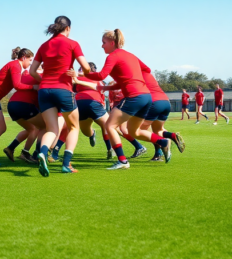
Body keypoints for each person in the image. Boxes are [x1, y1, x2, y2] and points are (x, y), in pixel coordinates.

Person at [78, 29, 172, 170]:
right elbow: (147, 69)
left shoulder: (113, 56)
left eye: (103, 43)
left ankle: (122, 161)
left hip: (134, 96)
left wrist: (84, 74)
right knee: (134, 132)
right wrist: (128, 76)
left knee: (110, 126)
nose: (102, 46)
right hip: (146, 96)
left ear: (112, 42)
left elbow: (101, 75)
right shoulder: (130, 55)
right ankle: (163, 142)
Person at [28, 16, 90, 176]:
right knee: (74, 126)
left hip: (44, 90)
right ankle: (66, 164)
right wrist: (78, 74)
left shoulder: (44, 45)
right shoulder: (72, 44)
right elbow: (86, 67)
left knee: (52, 128)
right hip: (63, 89)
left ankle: (42, 152)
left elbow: (32, 71)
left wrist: (45, 81)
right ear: (68, 28)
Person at [71, 62, 114, 158]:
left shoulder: (97, 79)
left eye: (84, 68)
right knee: (85, 132)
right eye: (80, 68)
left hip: (95, 104)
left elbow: (101, 91)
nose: (81, 70)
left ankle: (110, 149)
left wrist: (102, 103)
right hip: (80, 104)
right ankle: (91, 134)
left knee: (107, 126)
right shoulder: (75, 78)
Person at [4, 66, 42, 164]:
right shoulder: (41, 76)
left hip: (12, 104)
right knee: (42, 127)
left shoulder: (25, 73)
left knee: (30, 129)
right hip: (25, 104)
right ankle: (29, 153)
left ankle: (10, 148)